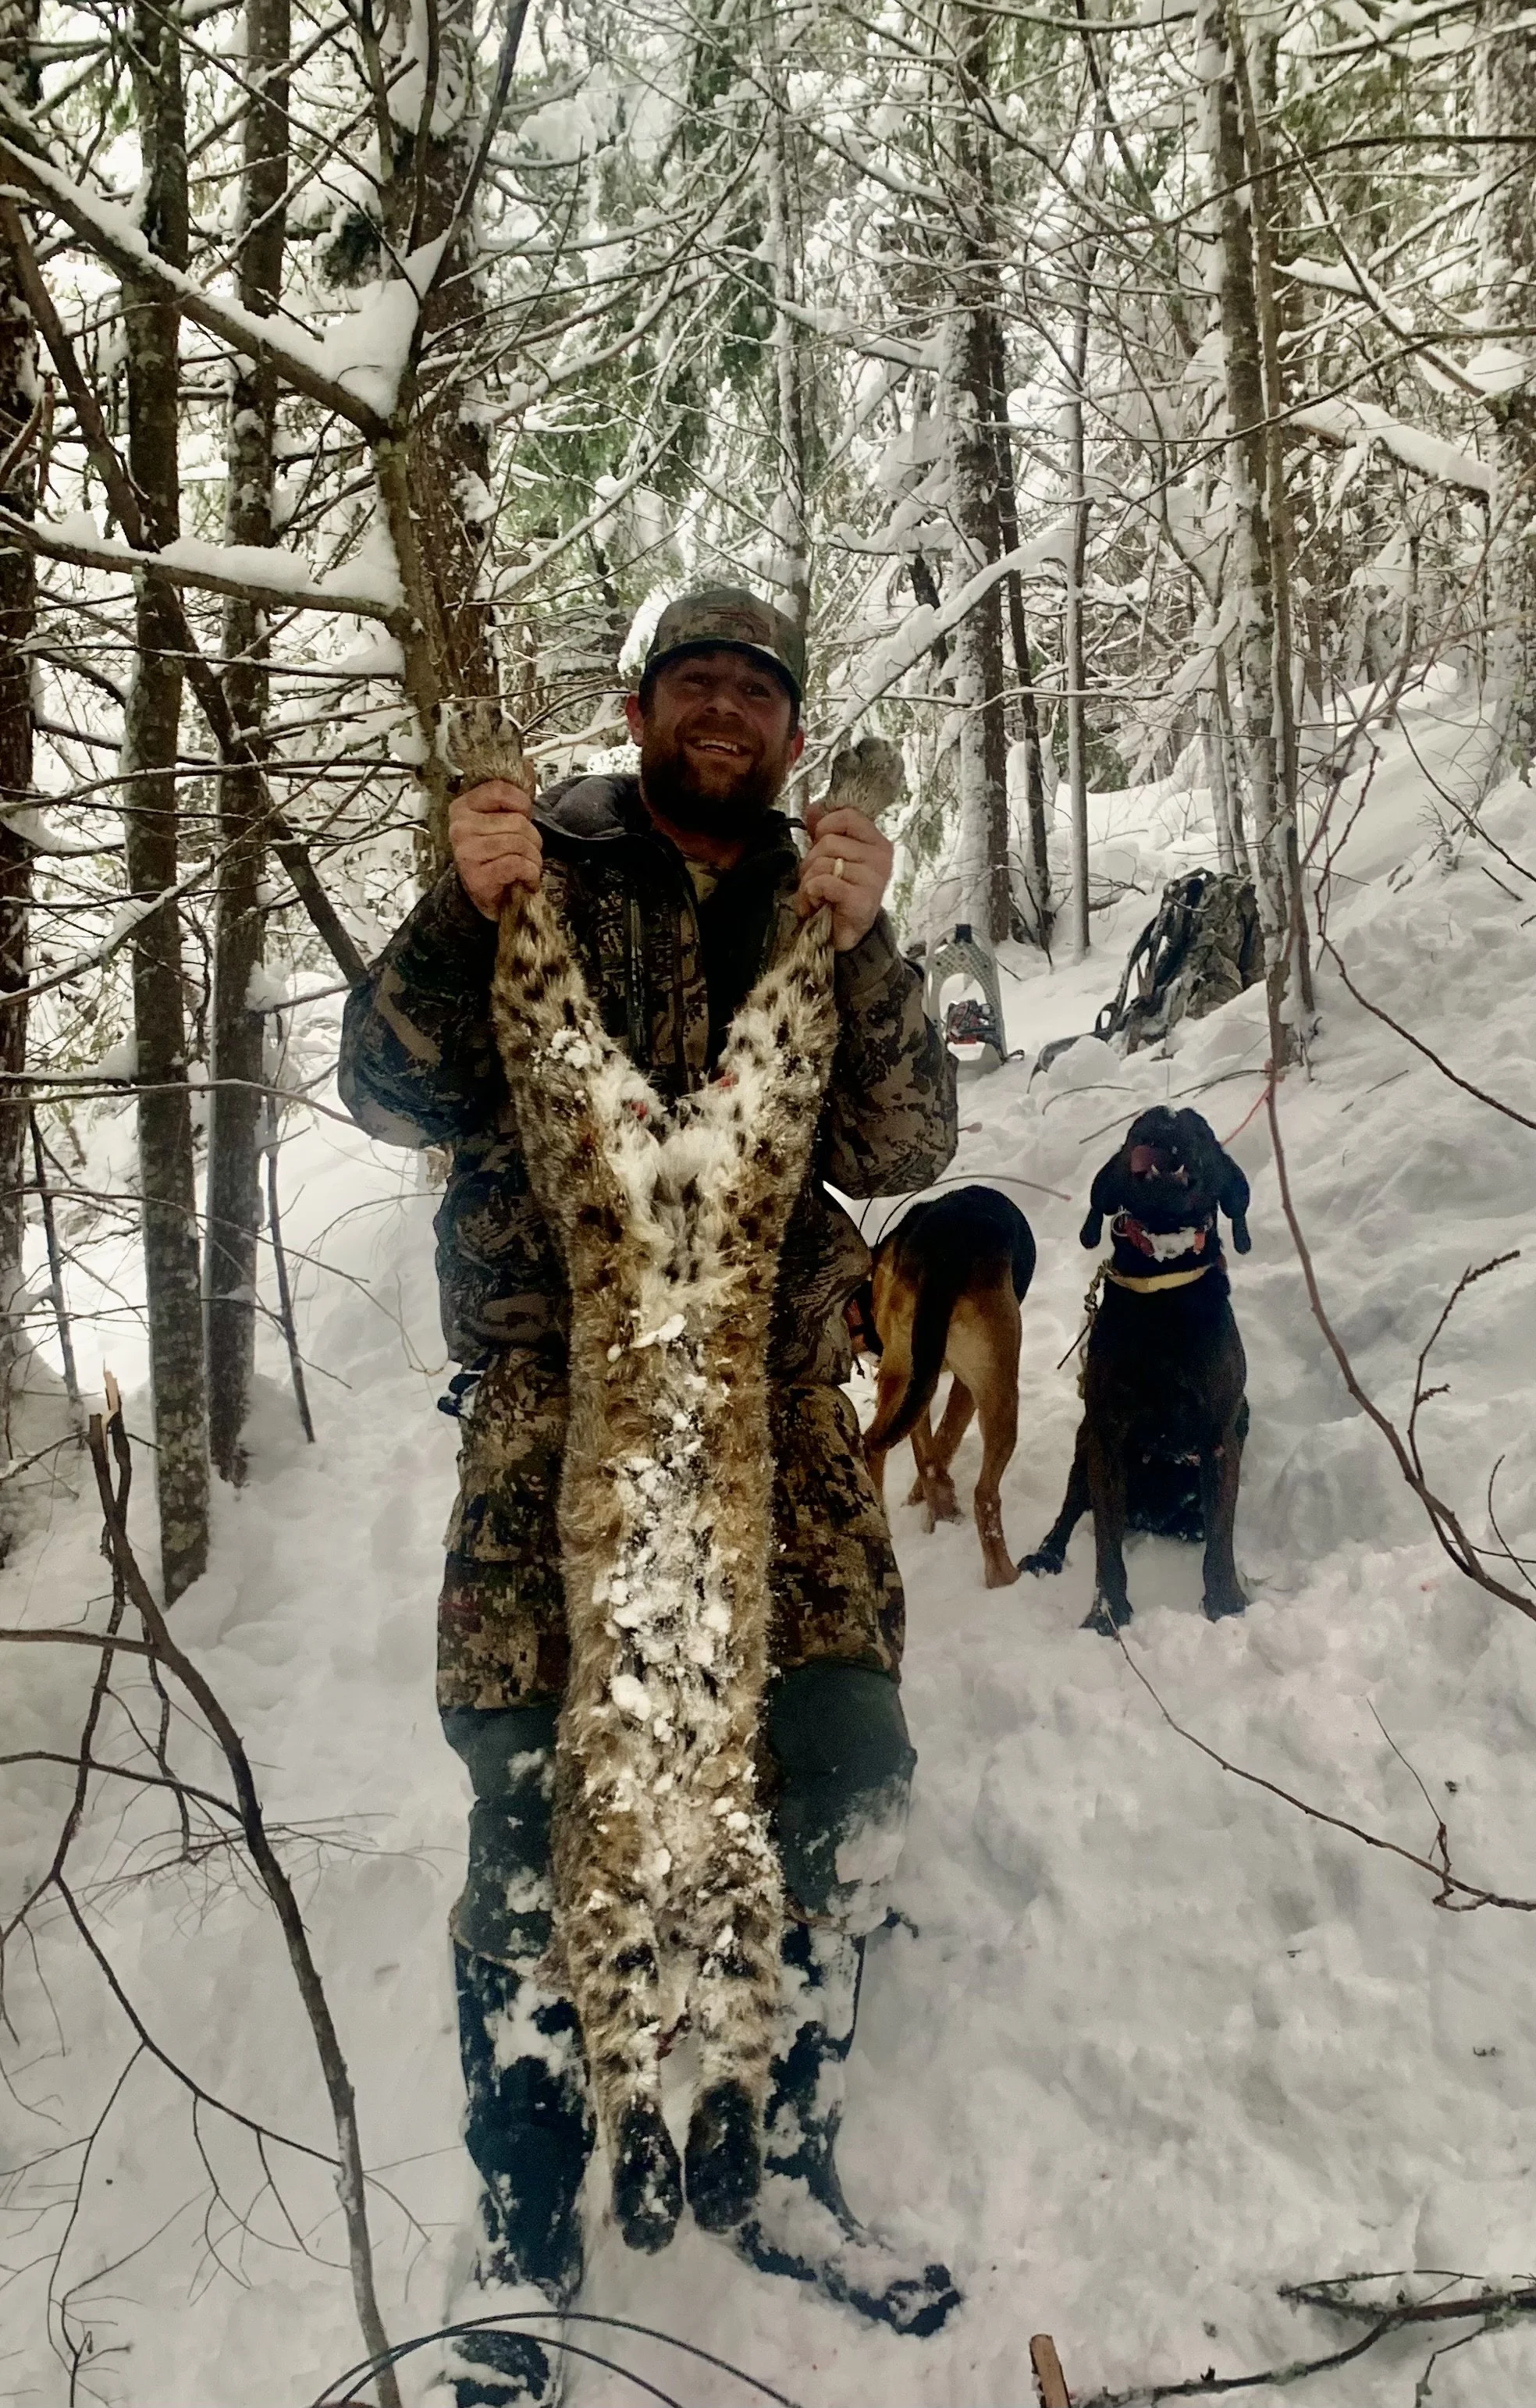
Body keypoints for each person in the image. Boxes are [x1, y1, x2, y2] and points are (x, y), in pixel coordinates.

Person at [340, 589, 961, 2406]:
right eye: (693, 680)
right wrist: (460, 904)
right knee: (531, 1832)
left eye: (753, 691)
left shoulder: (811, 888)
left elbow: (907, 1146)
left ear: (788, 729)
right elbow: (384, 1085)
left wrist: (868, 940)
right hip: (554, 1427)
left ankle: (783, 2157)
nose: (722, 710)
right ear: (638, 706)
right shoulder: (547, 864)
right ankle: (528, 2250)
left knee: (846, 1785)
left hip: (779, 1424)